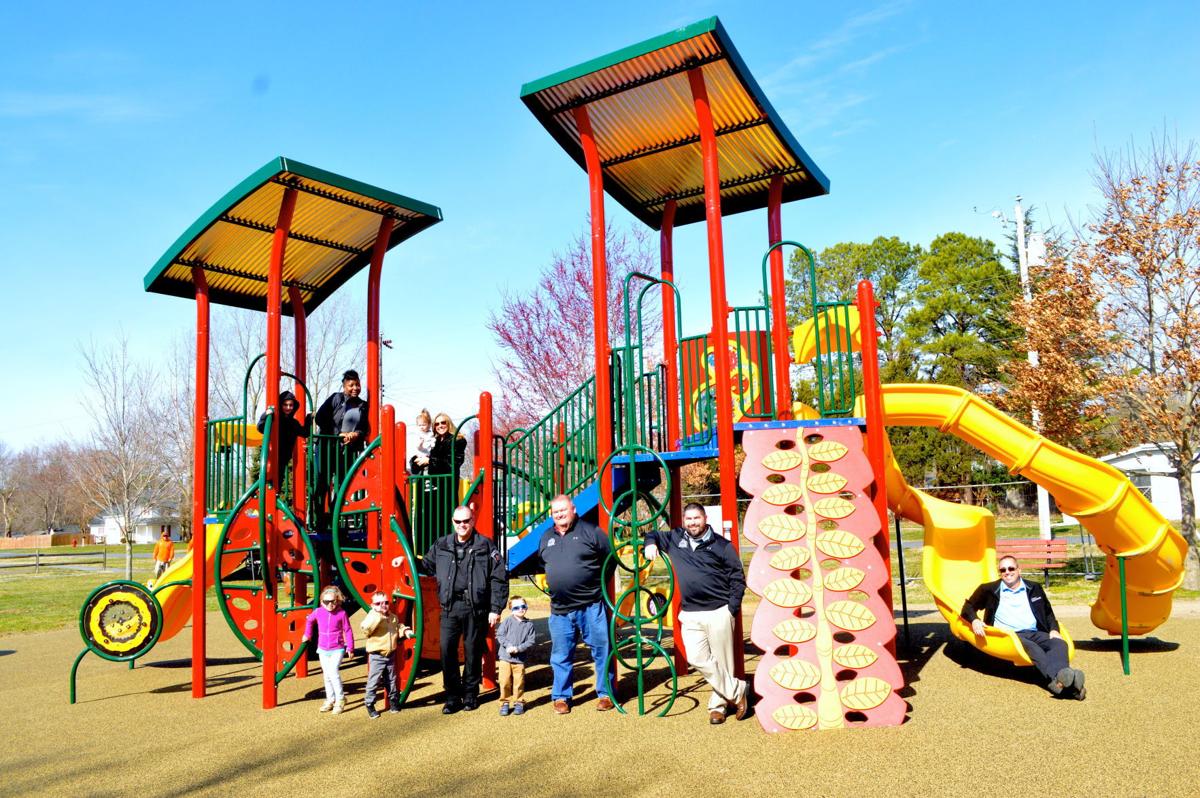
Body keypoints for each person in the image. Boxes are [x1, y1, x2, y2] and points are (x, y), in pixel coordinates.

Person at [644, 502, 749, 724]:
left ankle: (718, 707)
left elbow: (737, 578)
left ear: (705, 519)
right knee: (696, 657)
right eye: (689, 519)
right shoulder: (676, 538)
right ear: (684, 521)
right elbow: (652, 533)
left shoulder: (721, 546)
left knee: (722, 662)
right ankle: (738, 690)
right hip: (691, 613)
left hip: (718, 611)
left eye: (697, 518)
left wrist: (731, 609)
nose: (692, 523)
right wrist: (650, 544)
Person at [418, 505, 508, 714]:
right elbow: (426, 565)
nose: (462, 525)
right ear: (453, 522)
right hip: (449, 607)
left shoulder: (485, 545)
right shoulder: (442, 544)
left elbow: (499, 578)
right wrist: (405, 561)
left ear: (473, 521)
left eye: (466, 521)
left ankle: (470, 695)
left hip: (475, 607)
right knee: (446, 651)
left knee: (472, 652)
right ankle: (452, 697)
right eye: (458, 521)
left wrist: (495, 608)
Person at [961, 555, 1086, 699]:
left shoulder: (1034, 588)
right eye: (1003, 570)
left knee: (1059, 643)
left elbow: (1047, 612)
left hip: (1034, 632)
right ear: (1000, 572)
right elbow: (967, 607)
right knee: (1033, 648)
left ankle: (1062, 683)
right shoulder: (989, 589)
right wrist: (975, 620)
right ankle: (1069, 686)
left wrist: (1053, 629)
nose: (1007, 572)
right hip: (1008, 636)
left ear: (1019, 570)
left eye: (1011, 568)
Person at [537, 494, 615, 714]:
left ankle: (606, 693)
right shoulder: (546, 537)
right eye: (556, 512)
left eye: (563, 510)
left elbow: (610, 560)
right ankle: (561, 697)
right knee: (560, 655)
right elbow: (543, 564)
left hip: (591, 605)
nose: (560, 514)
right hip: (560, 609)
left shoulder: (591, 531)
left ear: (573, 509)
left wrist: (595, 586)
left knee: (602, 650)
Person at [360, 591, 415, 719]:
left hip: (390, 654)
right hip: (377, 655)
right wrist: (378, 617)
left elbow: (398, 627)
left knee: (391, 679)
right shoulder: (372, 616)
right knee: (374, 680)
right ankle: (369, 703)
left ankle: (393, 701)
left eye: (385, 602)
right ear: (372, 605)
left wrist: (405, 630)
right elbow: (365, 629)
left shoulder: (392, 617)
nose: (382, 605)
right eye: (378, 603)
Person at [302, 585, 355, 714]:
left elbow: (347, 630)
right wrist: (307, 634)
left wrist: (350, 647)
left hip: (337, 648)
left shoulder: (341, 613)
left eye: (333, 601)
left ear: (337, 600)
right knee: (326, 675)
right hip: (323, 648)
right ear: (322, 602)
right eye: (327, 602)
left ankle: (340, 699)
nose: (330, 604)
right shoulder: (318, 612)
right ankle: (330, 699)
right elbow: (309, 620)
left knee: (333, 672)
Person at [256, 390, 309, 490]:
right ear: (280, 405)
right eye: (285, 405)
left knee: (278, 482)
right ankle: (265, 494)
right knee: (268, 481)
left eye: (291, 405)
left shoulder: (293, 423)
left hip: (283, 458)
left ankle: (275, 495)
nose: (288, 408)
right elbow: (260, 427)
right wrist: (265, 415)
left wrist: (309, 418)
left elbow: (304, 432)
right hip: (271, 456)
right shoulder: (275, 419)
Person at [495, 595, 537, 716]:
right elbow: (500, 635)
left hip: (519, 659)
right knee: (504, 681)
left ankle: (519, 702)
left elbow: (531, 641)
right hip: (505, 658)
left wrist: (518, 648)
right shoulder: (507, 621)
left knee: (519, 682)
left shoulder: (529, 624)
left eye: (523, 606)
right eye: (516, 607)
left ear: (526, 607)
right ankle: (504, 702)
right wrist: (508, 646)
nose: (520, 609)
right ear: (511, 609)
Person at [409, 409, 435, 475]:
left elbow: (433, 443)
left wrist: (433, 445)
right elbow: (418, 447)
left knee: (428, 469)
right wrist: (420, 443)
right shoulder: (418, 434)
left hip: (428, 455)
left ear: (429, 424)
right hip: (420, 455)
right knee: (419, 469)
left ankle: (427, 477)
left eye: (423, 425)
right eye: (419, 425)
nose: (421, 427)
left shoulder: (431, 434)